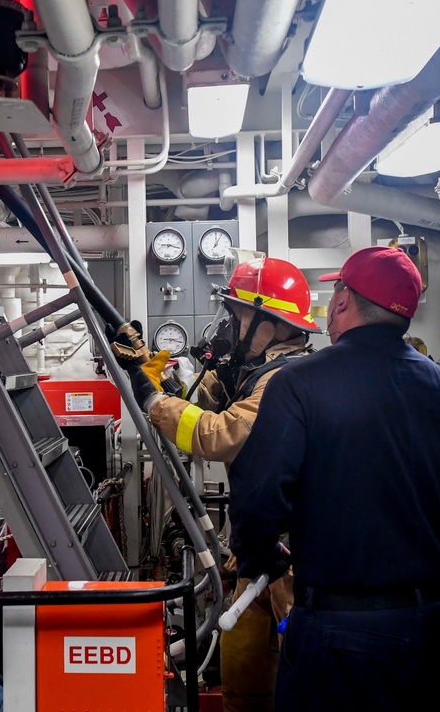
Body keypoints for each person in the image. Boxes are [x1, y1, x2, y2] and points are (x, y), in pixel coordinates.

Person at [228, 245, 440, 711]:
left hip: (336, 636)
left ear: (345, 301)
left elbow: (258, 496)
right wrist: (438, 602)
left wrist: (262, 557)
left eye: (335, 293)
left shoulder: (299, 384)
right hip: (434, 634)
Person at [118, 257, 318, 712]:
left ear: (271, 324)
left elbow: (216, 434)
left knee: (298, 688)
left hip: (290, 566)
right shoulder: (251, 371)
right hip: (254, 555)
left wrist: (150, 399)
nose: (228, 325)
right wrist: (152, 374)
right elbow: (195, 403)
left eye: (237, 316)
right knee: (243, 685)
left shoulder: (285, 381)